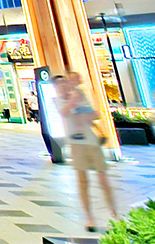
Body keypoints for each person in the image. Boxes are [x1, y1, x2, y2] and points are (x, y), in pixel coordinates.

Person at [56, 74, 117, 232]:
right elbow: (64, 112)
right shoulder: (59, 100)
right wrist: (75, 103)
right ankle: (89, 218)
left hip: (91, 141)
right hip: (76, 144)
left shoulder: (81, 95)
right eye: (61, 83)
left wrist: (80, 110)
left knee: (103, 179)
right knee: (83, 181)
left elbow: (95, 114)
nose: (65, 85)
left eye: (67, 82)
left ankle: (114, 214)